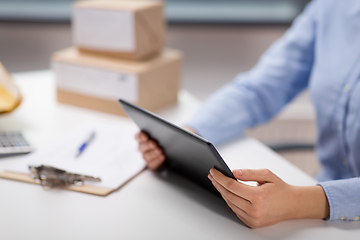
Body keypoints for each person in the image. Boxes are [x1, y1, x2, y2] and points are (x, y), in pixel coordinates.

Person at [135, 0, 360, 228]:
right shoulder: (333, 7)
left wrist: (299, 202)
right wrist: (185, 137)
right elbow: (259, 88)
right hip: (321, 202)